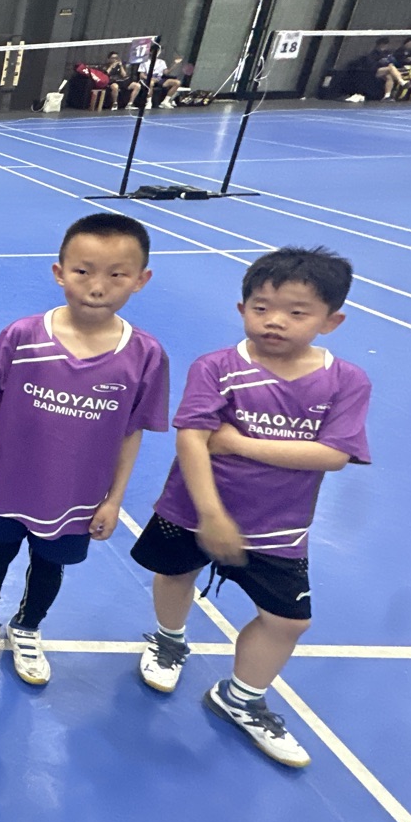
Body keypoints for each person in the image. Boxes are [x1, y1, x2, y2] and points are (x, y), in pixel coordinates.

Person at [130, 246, 370, 768]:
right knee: (175, 575)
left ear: (331, 321)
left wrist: (240, 443)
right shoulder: (217, 366)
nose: (275, 321)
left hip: (279, 528)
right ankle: (169, 640)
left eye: (297, 312)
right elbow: (192, 439)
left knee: (288, 622)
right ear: (242, 309)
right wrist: (211, 514)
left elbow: (333, 454)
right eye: (261, 308)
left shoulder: (346, 381)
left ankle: (239, 697)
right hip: (191, 509)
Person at [0, 213, 170, 684]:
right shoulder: (22, 336)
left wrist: (114, 500)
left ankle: (27, 626)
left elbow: (132, 433)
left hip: (77, 496)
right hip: (9, 483)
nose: (98, 285)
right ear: (59, 272)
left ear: (141, 280)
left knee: (50, 564)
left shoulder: (146, 356)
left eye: (117, 274)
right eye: (83, 270)